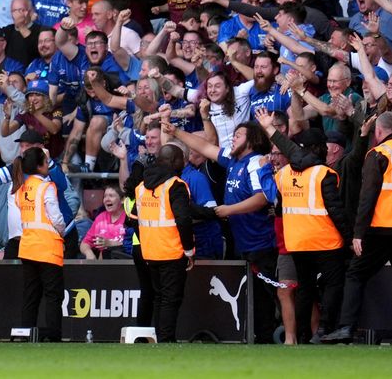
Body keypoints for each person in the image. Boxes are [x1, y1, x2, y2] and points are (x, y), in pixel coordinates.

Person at [166, 121, 279, 343]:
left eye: (239, 135)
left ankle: (267, 340)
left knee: (264, 295)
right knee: (248, 294)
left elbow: (262, 198)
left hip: (260, 240)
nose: (233, 138)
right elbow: (205, 147)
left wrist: (229, 209)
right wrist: (176, 131)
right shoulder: (233, 159)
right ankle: (253, 337)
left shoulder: (255, 162)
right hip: (241, 239)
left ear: (252, 140)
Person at [256, 110, 349, 344]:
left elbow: (279, 209)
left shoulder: (283, 174)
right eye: (324, 146)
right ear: (317, 148)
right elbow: (336, 211)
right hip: (326, 241)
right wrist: (349, 238)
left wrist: (269, 129)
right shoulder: (324, 173)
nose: (327, 149)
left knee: (305, 289)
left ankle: (303, 335)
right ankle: (325, 329)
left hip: (297, 242)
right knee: (333, 284)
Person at [323, 112, 392, 344]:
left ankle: (346, 327)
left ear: (379, 131)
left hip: (381, 228)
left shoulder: (379, 153)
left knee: (355, 273)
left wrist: (358, 233)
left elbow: (368, 196)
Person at [135, 144, 195, 343]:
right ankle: (166, 340)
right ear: (173, 161)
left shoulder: (141, 186)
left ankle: (161, 340)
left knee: (159, 297)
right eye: (181, 159)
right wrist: (189, 250)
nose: (184, 163)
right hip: (171, 251)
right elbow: (183, 219)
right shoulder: (175, 185)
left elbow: (133, 219)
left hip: (149, 252)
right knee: (170, 298)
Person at [13, 147, 65, 342]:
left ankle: (26, 334)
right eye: (45, 161)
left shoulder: (21, 188)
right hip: (48, 248)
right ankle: (53, 335)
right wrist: (62, 232)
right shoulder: (46, 187)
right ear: (41, 165)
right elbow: (56, 217)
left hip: (28, 248)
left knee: (31, 295)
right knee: (53, 295)